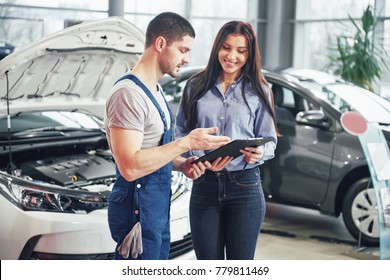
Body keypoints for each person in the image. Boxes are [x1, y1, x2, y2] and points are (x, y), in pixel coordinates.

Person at [104, 12, 230, 260]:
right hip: (136, 214)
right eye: (183, 50)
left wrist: (182, 164)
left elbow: (151, 149)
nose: (187, 59)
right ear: (160, 44)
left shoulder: (157, 90)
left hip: (157, 210)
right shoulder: (128, 94)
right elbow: (130, 166)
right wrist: (186, 143)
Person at [175, 20, 278, 260]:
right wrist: (195, 159)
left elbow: (270, 139)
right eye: (226, 47)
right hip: (205, 186)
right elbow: (180, 133)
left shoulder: (260, 90)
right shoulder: (195, 86)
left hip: (245, 188)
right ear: (217, 48)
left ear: (249, 54)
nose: (232, 56)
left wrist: (260, 153)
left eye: (241, 51)